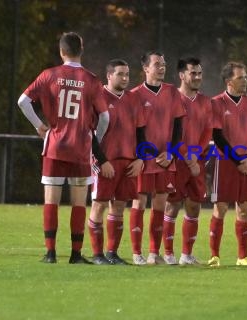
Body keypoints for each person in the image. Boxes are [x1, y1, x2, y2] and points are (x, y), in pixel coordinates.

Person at [17, 31, 109, 264]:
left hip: (55, 146)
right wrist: (93, 137)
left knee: (51, 200)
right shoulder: (91, 79)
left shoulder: (49, 75)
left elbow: (23, 102)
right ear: (82, 49)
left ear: (61, 51)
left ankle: (50, 253)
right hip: (80, 148)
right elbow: (105, 117)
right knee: (79, 203)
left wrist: (40, 126)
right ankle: (76, 254)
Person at [129, 51, 186, 265]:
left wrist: (171, 152)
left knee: (160, 202)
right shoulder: (135, 95)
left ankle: (154, 252)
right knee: (140, 200)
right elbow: (134, 131)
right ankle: (137, 253)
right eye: (157, 64)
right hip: (144, 158)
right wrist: (147, 155)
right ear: (145, 69)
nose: (162, 67)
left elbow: (179, 127)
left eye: (163, 64)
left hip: (167, 158)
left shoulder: (172, 92)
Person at [87, 59, 146, 265]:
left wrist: (140, 158)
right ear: (109, 76)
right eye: (120, 74)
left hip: (128, 162)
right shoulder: (98, 97)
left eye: (127, 74)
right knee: (100, 204)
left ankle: (112, 253)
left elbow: (141, 132)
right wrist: (101, 160)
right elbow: (90, 133)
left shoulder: (133, 99)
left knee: (119, 206)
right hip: (105, 162)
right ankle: (97, 255)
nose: (125, 78)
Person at [208, 61, 247, 267]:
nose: (245, 80)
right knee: (221, 207)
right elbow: (217, 136)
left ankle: (242, 257)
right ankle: (215, 255)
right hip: (226, 163)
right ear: (228, 81)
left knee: (244, 209)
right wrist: (237, 160)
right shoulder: (216, 103)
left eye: (246, 77)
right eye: (240, 77)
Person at [164, 57, 212, 265]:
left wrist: (195, 154)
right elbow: (169, 132)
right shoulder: (171, 98)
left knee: (194, 205)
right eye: (193, 73)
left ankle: (186, 255)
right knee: (171, 205)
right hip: (175, 159)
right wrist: (186, 155)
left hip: (196, 161)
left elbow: (207, 130)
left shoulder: (205, 102)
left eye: (200, 73)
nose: (198, 77)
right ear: (182, 75)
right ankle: (167, 254)